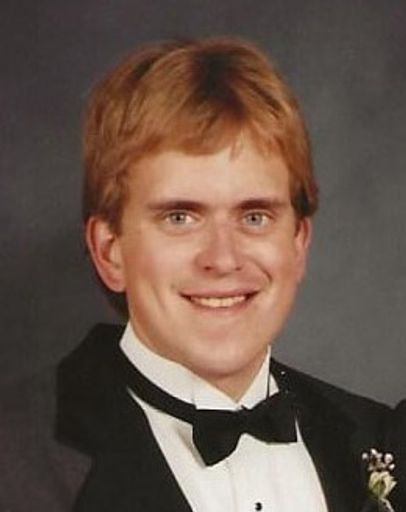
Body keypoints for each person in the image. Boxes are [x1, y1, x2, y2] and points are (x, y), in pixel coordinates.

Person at [0, 37, 392, 512]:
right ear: (110, 251)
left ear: (298, 243)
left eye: (255, 217)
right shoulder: (14, 457)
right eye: (180, 217)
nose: (222, 259)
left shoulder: (379, 438)